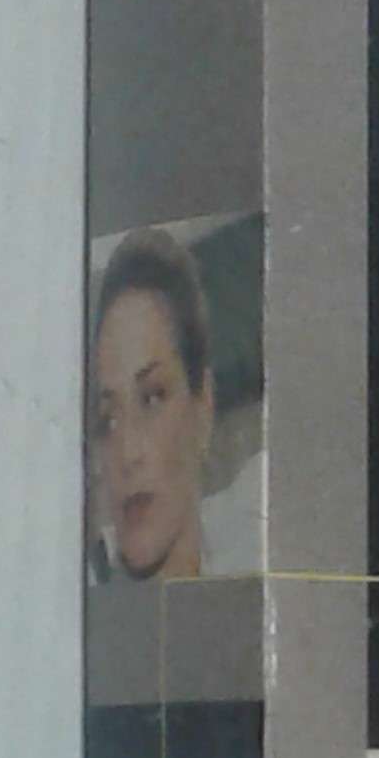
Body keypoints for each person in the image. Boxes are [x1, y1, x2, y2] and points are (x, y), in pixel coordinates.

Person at [88, 226, 260, 581]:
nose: (128, 454)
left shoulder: (259, 531)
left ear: (204, 406)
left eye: (152, 398)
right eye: (108, 420)